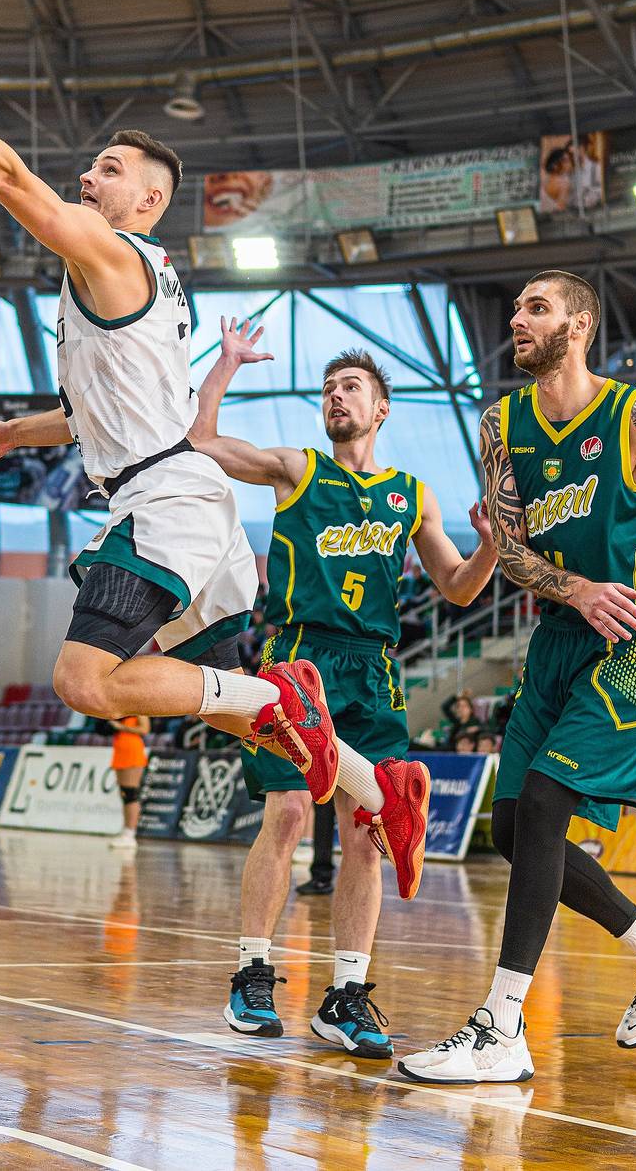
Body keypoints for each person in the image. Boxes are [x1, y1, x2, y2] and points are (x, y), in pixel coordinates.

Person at [0, 0, 351, 818]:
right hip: (186, 495)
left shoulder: (114, 257)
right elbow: (109, 412)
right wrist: (14, 433)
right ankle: (378, 786)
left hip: (165, 503)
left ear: (149, 202)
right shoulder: (137, 280)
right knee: (235, 711)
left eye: (110, 170)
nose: (87, 178)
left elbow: (7, 179)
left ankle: (279, 697)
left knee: (85, 682)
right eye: (92, 168)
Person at [399, 269, 636, 1086]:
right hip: (556, 638)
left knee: (547, 803)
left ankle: (500, 1028)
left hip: (635, 640)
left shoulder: (634, 416)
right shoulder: (501, 423)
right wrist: (575, 589)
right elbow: (511, 551)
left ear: (579, 325)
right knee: (513, 830)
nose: (517, 319)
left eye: (537, 307)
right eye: (516, 307)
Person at [189, 319, 497, 1059]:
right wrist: (226, 364)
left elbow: (458, 588)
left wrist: (491, 545)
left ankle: (346, 996)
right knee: (290, 812)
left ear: (380, 408)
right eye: (328, 388)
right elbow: (202, 442)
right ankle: (252, 975)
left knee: (369, 829)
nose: (336, 396)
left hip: (374, 670)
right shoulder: (297, 470)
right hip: (300, 658)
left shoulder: (412, 496)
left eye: (350, 387)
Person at [109, 715, 150, 852]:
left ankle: (130, 834)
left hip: (132, 751)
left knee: (131, 794)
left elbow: (144, 729)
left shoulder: (138, 709)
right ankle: (126, 830)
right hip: (120, 749)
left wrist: (121, 727)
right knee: (124, 793)